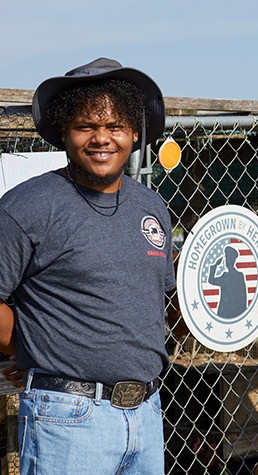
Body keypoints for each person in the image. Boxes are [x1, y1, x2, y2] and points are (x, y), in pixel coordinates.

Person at [0, 57, 173, 474]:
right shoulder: (27, 207)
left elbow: (153, 303)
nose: (101, 139)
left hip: (148, 414)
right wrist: (27, 348)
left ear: (134, 132)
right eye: (85, 126)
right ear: (64, 131)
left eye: (114, 126)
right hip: (67, 418)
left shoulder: (153, 209)